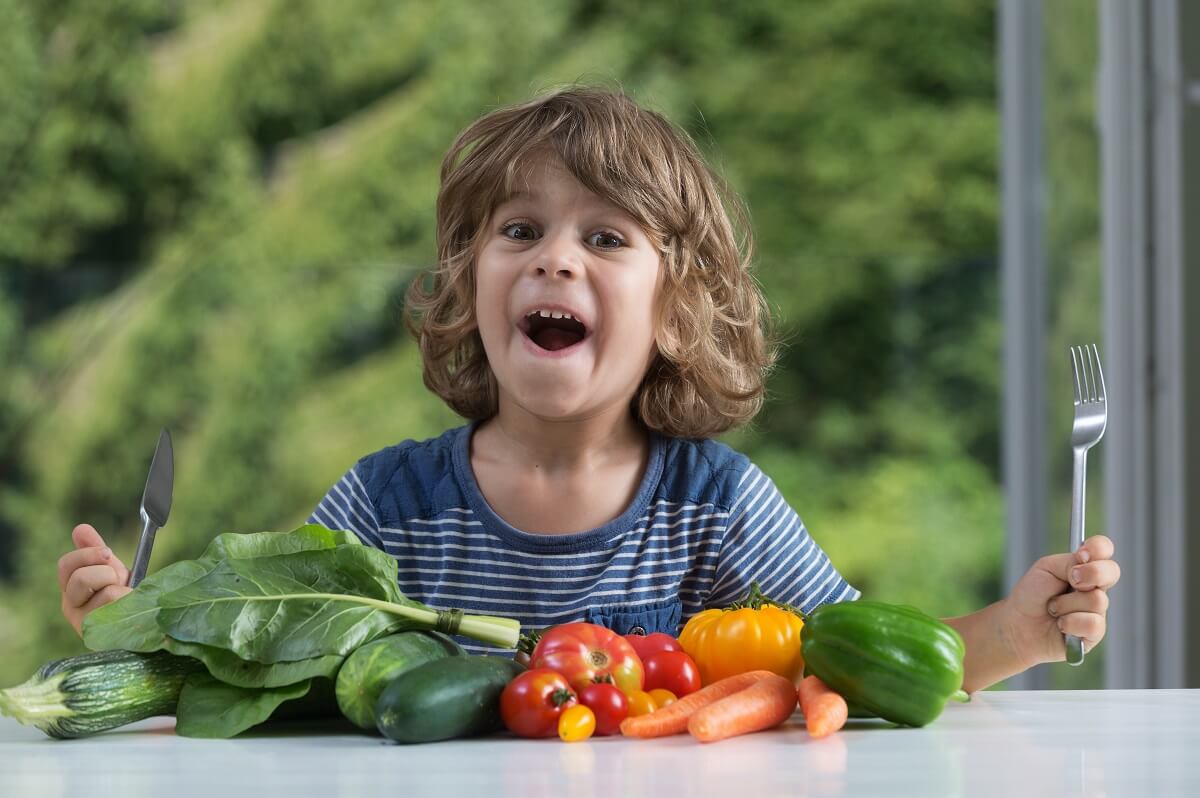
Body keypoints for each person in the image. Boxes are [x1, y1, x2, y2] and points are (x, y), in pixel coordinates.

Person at [57, 87, 1119, 693]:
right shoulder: (387, 506)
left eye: (604, 238)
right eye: (519, 232)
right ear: (472, 283)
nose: (554, 259)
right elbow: (267, 653)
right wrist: (136, 626)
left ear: (673, 309)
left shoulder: (716, 506)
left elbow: (862, 661)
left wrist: (1017, 631)